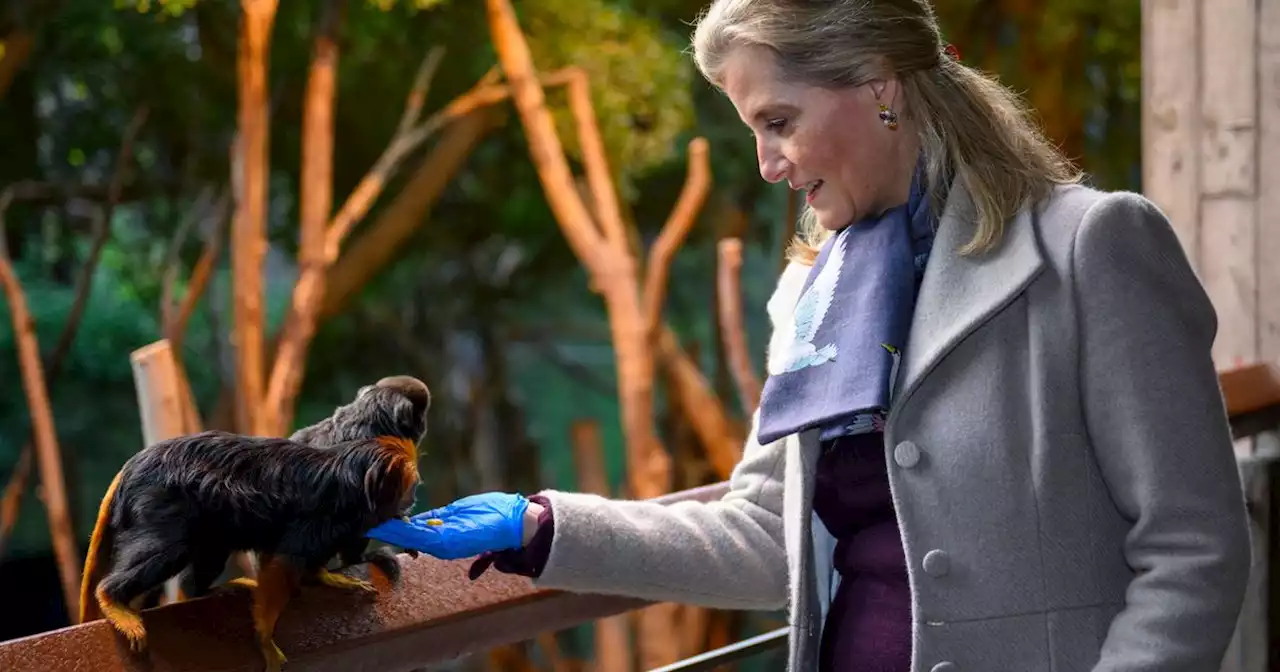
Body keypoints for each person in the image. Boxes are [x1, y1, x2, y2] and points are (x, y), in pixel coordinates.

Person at [368, 0, 1253, 669]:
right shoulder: (808, 290)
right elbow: (767, 536)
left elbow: (1192, 551)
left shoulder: (1092, 247)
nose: (766, 163)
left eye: (778, 122)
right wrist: (543, 528)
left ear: (878, 85)